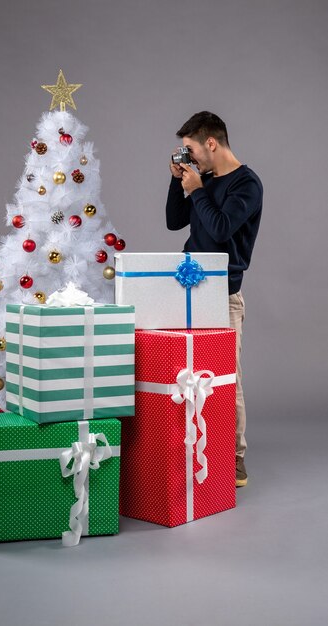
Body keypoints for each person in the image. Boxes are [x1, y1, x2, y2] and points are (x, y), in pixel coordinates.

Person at [165, 111, 263, 487]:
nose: (189, 156)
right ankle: (189, 448)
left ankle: (235, 458)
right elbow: (175, 222)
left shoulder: (247, 184)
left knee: (226, 378)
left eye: (190, 149)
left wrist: (198, 191)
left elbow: (222, 229)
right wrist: (179, 183)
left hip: (223, 293)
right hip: (189, 288)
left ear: (211, 142)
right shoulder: (202, 181)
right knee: (184, 371)